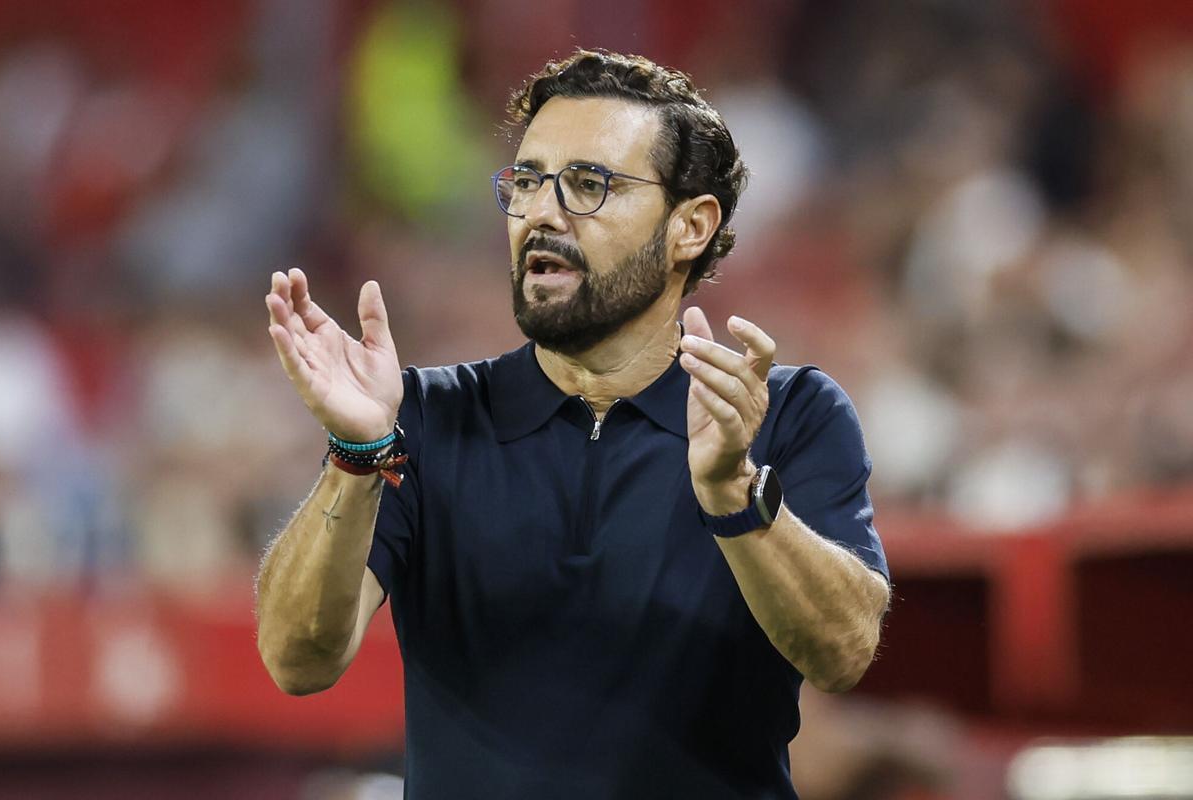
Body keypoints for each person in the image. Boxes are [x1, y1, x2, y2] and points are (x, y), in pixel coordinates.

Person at [257, 49, 890, 799]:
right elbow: (298, 661)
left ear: (690, 226)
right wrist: (356, 454)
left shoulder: (786, 412)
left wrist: (733, 493)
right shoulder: (422, 419)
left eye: (589, 185)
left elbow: (843, 653)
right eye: (526, 183)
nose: (541, 213)